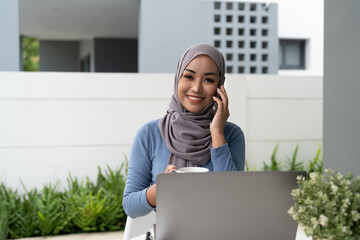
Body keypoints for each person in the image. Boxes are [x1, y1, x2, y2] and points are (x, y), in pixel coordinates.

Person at [123, 43, 245, 218]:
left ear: (220, 86)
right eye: (188, 76)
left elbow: (236, 200)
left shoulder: (232, 135)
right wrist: (161, 189)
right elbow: (130, 206)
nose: (196, 88)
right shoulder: (149, 134)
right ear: (177, 78)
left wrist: (217, 133)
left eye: (209, 80)